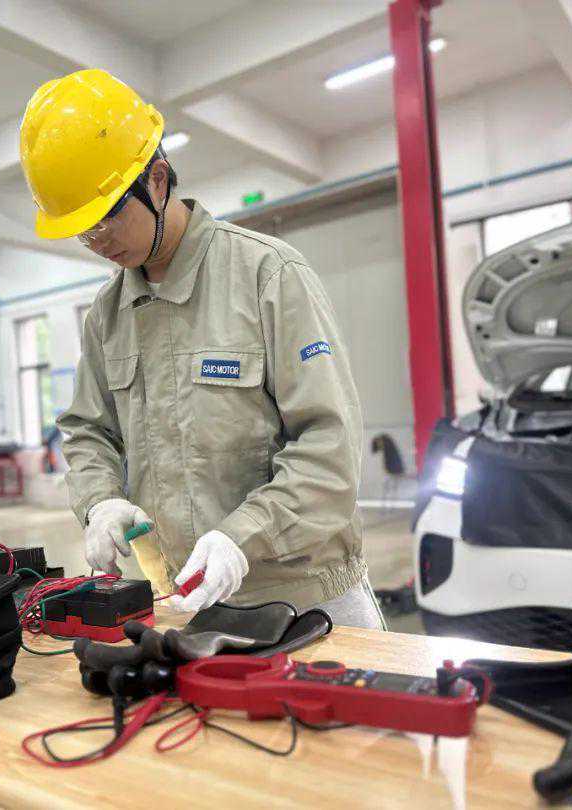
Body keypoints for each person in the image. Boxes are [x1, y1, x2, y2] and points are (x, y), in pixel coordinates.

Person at [19, 69, 383, 628]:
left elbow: (330, 446)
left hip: (307, 598)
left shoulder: (268, 275)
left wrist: (243, 536)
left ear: (157, 179)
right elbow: (89, 430)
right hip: (187, 602)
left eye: (108, 217)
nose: (98, 242)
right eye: (83, 231)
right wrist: (100, 500)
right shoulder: (108, 315)